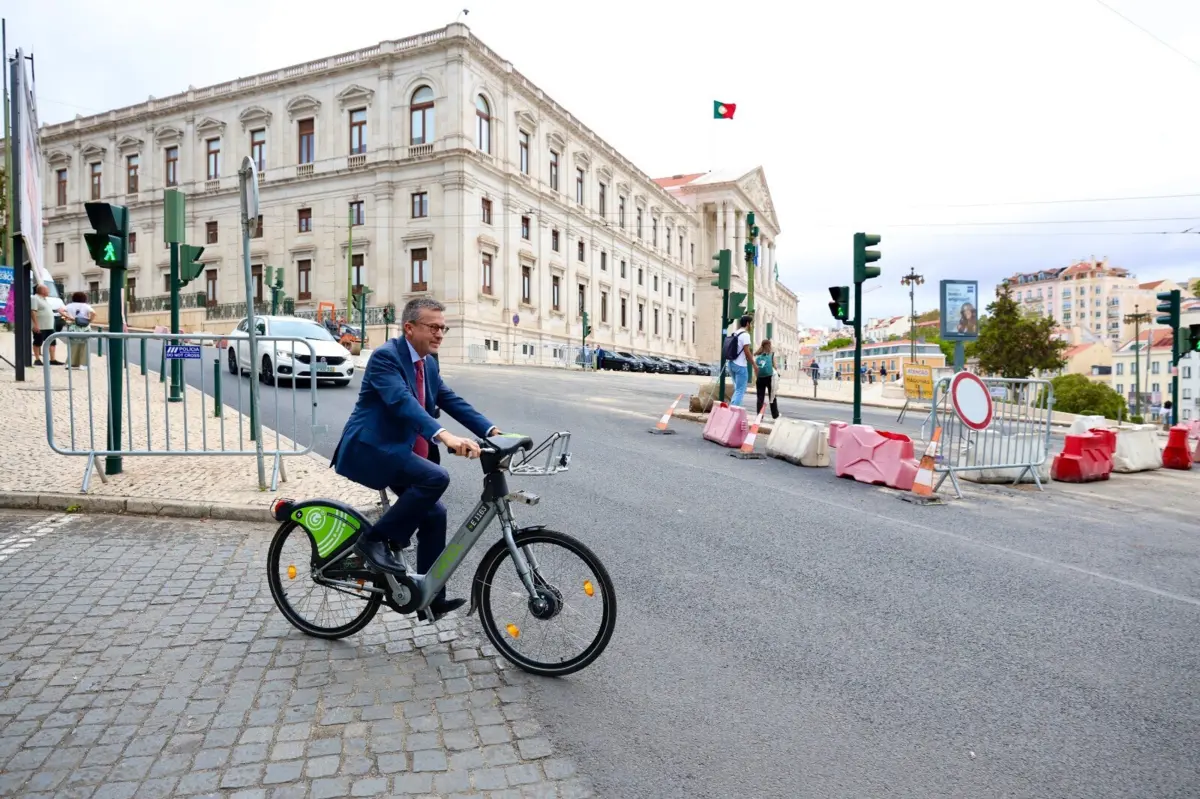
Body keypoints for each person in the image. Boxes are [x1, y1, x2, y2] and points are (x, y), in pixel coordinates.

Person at [331, 297, 500, 617]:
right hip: (372, 449)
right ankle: (375, 541)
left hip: (401, 452)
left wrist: (493, 432)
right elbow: (402, 402)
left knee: (435, 515)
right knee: (436, 477)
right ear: (409, 328)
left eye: (443, 328)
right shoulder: (385, 358)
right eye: (433, 327)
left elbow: (450, 399)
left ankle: (430, 599)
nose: (439, 334)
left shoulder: (429, 362)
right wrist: (444, 435)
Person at [726, 315, 756, 407]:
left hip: (731, 364)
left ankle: (733, 407)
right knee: (740, 390)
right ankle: (733, 410)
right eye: (751, 324)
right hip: (740, 366)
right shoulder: (745, 335)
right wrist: (754, 364)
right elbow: (747, 352)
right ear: (747, 323)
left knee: (737, 389)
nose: (752, 326)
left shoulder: (735, 333)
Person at [31, 285, 62, 366]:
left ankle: (52, 359)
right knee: (38, 342)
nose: (49, 292)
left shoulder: (44, 299)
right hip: (40, 326)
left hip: (49, 326)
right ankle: (37, 359)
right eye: (47, 290)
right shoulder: (35, 298)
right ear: (42, 290)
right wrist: (35, 324)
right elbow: (33, 311)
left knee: (52, 342)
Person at [753, 340, 777, 419]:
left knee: (760, 398)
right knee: (772, 397)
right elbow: (775, 367)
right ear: (769, 345)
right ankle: (775, 415)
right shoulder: (771, 354)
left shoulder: (758, 355)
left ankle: (759, 416)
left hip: (760, 378)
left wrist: (758, 376)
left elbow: (755, 369)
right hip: (770, 378)